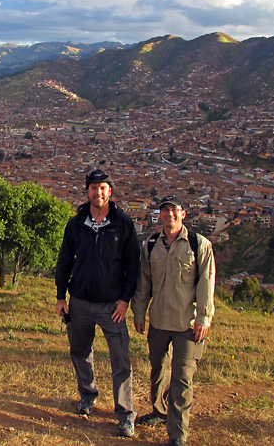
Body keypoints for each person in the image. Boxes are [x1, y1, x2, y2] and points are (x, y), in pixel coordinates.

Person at [55, 169, 140, 438]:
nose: (98, 192)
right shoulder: (76, 223)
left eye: (102, 188)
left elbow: (133, 266)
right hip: (79, 301)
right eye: (93, 187)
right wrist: (61, 296)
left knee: (120, 359)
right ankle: (88, 395)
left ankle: (125, 415)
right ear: (88, 191)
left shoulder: (123, 223)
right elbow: (64, 260)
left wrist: (124, 300)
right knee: (79, 351)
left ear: (110, 191)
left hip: (111, 306)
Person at [131, 195, 216, 446]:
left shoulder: (198, 244)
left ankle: (178, 434)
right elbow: (143, 282)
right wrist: (139, 312)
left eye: (174, 210)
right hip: (158, 320)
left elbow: (206, 283)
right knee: (158, 368)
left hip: (187, 324)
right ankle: (159, 411)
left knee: (182, 377)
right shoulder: (151, 245)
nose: (169, 215)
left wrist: (204, 317)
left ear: (183, 214)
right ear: (160, 215)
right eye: (165, 210)